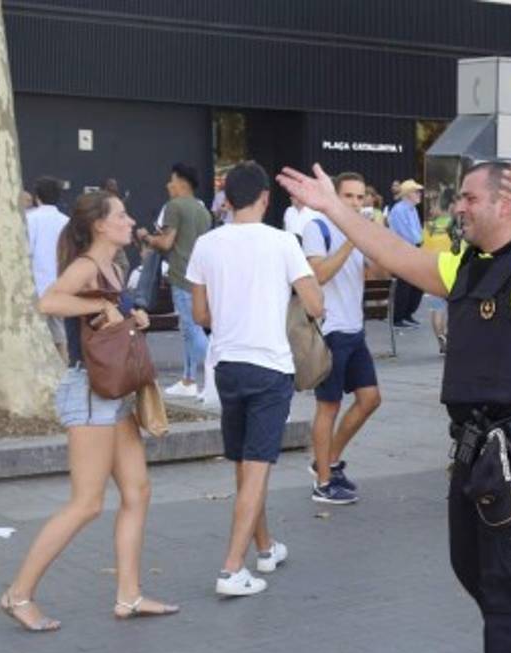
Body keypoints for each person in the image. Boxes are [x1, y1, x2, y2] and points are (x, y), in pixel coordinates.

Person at [279, 157, 511, 653]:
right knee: (471, 568)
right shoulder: (467, 265)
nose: (457, 207)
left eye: (468, 197)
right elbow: (391, 252)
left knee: (505, 583)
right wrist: (336, 209)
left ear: (504, 205)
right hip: (474, 450)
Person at [0, 191, 179, 632]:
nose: (129, 220)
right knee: (86, 504)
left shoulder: (114, 268)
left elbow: (108, 325)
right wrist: (99, 306)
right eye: (121, 215)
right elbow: (49, 303)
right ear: (100, 225)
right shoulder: (84, 266)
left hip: (113, 393)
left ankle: (130, 596)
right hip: (88, 392)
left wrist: (131, 317)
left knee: (138, 493)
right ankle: (17, 594)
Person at [187, 162, 325, 597]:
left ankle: (265, 547)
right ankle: (231, 569)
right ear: (266, 197)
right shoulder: (283, 242)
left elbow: (200, 315)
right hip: (270, 366)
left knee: (247, 464)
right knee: (258, 466)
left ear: (225, 199)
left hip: (226, 364)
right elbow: (316, 305)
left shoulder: (206, 245)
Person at [302, 172, 382, 506]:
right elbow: (318, 274)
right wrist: (352, 239)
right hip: (330, 329)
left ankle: (328, 461)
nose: (355, 203)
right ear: (334, 197)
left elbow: (379, 274)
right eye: (348, 196)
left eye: (360, 197)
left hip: (355, 327)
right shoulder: (316, 228)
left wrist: (377, 242)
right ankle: (323, 483)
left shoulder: (360, 230)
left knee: (370, 398)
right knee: (328, 406)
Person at [137, 163, 211, 398]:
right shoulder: (202, 211)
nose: (168, 185)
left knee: (191, 329)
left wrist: (146, 237)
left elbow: (166, 243)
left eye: (171, 180)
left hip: (181, 274)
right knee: (191, 330)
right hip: (202, 277)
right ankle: (189, 381)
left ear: (181, 182)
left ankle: (217, 373)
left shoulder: (174, 206)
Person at [26, 176, 71, 361]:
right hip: (61, 287)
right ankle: (65, 373)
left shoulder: (30, 219)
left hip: (36, 288)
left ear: (37, 197)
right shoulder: (67, 221)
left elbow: (26, 251)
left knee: (34, 339)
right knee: (61, 338)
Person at [388, 179, 425, 328]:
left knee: (416, 285)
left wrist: (420, 240)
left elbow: (417, 232)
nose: (419, 194)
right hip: (402, 251)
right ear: (409, 194)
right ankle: (398, 317)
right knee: (405, 286)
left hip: (412, 250)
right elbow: (408, 234)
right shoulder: (399, 210)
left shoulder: (411, 209)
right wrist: (420, 240)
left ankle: (407, 314)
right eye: (416, 191)